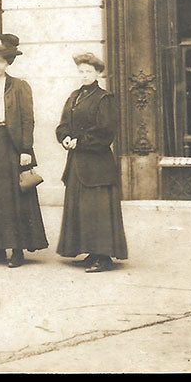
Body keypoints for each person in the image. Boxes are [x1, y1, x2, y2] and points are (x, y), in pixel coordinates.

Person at [0, 34, 49, 268]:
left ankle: (17, 249)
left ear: (8, 63)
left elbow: (28, 119)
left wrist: (26, 148)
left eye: (2, 61)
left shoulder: (19, 86)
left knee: (14, 197)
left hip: (11, 144)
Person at [56, 52, 128, 273]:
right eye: (81, 71)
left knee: (97, 210)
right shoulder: (74, 96)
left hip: (97, 165)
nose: (84, 75)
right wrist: (65, 137)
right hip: (77, 162)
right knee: (83, 209)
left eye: (89, 71)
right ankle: (90, 251)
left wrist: (81, 142)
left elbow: (106, 132)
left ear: (98, 73)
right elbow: (63, 123)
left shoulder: (104, 98)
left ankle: (103, 256)